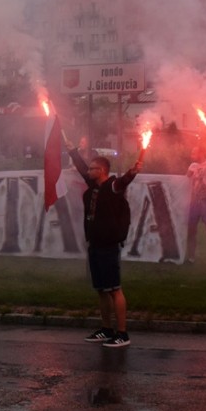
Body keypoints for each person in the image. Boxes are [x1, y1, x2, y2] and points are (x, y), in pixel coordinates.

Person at [68, 141, 141, 348]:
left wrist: (132, 172)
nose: (87, 171)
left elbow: (123, 182)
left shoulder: (112, 186)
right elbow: (82, 168)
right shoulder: (94, 187)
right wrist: (72, 151)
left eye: (92, 168)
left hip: (109, 245)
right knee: (101, 289)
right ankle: (107, 329)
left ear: (101, 171)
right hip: (95, 244)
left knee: (114, 289)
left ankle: (122, 334)